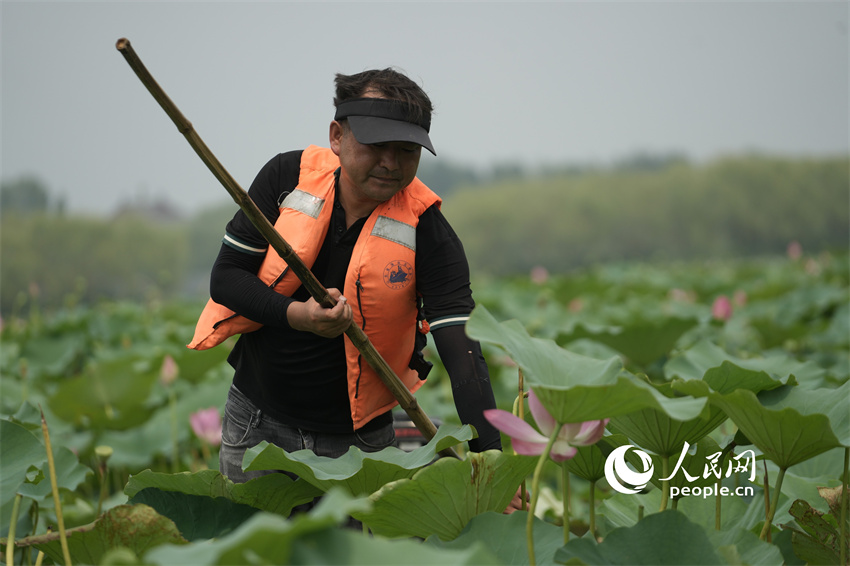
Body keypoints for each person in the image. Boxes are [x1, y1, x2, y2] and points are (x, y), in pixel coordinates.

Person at [189, 68, 520, 510]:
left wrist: (492, 462)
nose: (391, 162)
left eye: (406, 150)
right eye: (375, 145)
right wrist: (298, 316)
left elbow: (463, 354)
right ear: (337, 136)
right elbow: (227, 277)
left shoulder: (429, 232)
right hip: (257, 425)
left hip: (360, 448)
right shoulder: (286, 178)